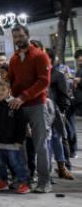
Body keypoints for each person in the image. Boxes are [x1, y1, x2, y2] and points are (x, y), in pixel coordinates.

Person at [8, 25, 52, 193]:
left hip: (36, 105)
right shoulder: (13, 59)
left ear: (27, 35)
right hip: (19, 106)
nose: (18, 39)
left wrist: (23, 97)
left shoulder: (40, 56)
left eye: (20, 36)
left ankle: (44, 182)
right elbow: (11, 81)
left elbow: (43, 82)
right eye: (15, 37)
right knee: (20, 146)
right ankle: (24, 180)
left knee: (40, 145)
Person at [0, 78, 31, 193]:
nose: (0, 92)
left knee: (16, 163)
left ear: (9, 90)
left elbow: (21, 124)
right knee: (0, 164)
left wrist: (19, 140)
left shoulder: (15, 105)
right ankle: (3, 181)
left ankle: (24, 183)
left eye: (3, 89)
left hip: (13, 142)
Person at [45, 48, 74, 180]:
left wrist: (62, 111)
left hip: (55, 111)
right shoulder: (39, 74)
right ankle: (49, 169)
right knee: (48, 141)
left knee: (57, 139)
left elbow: (64, 96)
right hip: (43, 111)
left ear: (49, 59)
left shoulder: (57, 75)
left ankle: (63, 166)